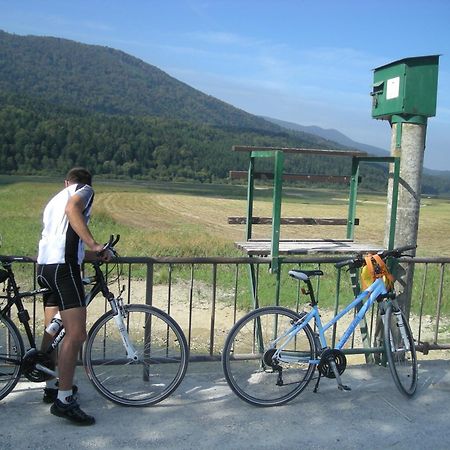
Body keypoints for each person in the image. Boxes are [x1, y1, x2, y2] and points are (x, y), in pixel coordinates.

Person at [37, 167, 110, 426]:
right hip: (63, 269)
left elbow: (64, 240)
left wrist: (91, 254)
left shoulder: (54, 200)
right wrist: (94, 244)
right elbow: (73, 211)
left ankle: (51, 383)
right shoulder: (84, 190)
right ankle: (64, 400)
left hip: (45, 266)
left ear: (66, 181)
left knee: (53, 329)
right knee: (77, 333)